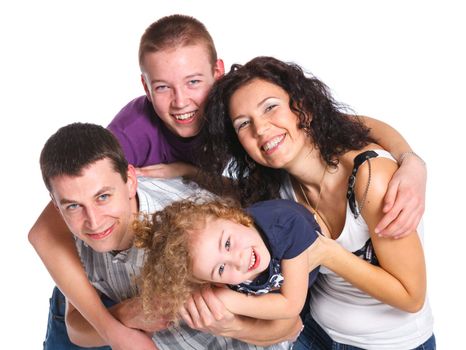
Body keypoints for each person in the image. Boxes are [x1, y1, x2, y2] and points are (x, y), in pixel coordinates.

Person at [28, 14, 427, 349]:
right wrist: (114, 328)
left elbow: (343, 124)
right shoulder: (134, 134)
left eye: (193, 81)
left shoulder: (255, 128)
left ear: (217, 73)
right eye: (163, 87)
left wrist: (411, 160)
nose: (181, 102)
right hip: (106, 270)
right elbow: (58, 224)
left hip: (341, 325)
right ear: (145, 87)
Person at [196, 56, 435, 349]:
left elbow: (412, 296)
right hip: (314, 333)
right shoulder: (276, 183)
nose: (260, 129)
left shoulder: (370, 179)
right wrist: (182, 171)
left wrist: (411, 160)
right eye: (244, 124)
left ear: (303, 108)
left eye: (270, 107)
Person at [38, 122, 299, 350]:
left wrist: (232, 326)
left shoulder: (195, 230)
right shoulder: (73, 241)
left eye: (103, 197)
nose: (94, 222)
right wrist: (126, 315)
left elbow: (291, 326)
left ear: (130, 180)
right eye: (73, 205)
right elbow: (75, 328)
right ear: (56, 203)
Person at [135, 198, 320, 323]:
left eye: (228, 243)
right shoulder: (215, 272)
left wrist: (229, 300)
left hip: (319, 262)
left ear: (231, 217)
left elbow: (291, 306)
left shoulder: (285, 225)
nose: (238, 261)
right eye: (221, 269)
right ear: (212, 281)